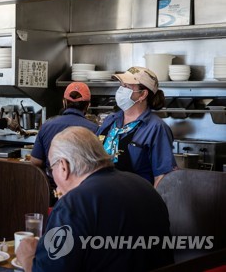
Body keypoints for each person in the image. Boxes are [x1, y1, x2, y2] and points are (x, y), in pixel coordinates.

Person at [16, 126, 174, 272]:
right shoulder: (145, 187)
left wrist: (27, 257)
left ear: (63, 167)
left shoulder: (74, 204)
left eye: (52, 169)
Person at [97, 66, 176, 187]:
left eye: (126, 87)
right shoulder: (110, 120)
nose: (120, 90)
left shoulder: (156, 128)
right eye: (121, 85)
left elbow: (162, 177)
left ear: (143, 94)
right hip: (100, 197)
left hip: (133, 200)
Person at [30, 82, 98, 205]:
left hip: (52, 191)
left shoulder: (47, 125)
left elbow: (35, 161)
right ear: (88, 105)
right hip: (82, 193)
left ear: (64, 102)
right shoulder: (95, 129)